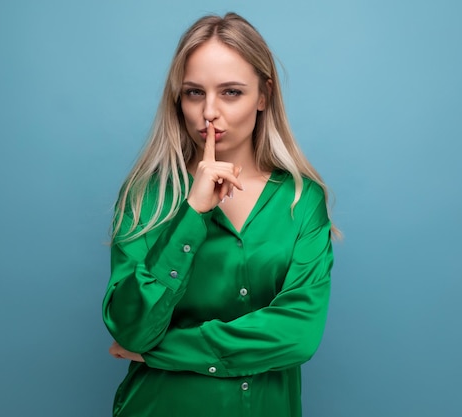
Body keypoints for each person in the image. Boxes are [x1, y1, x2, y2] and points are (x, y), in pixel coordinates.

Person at [102, 12, 337, 417]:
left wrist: (166, 351)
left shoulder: (302, 200)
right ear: (178, 99)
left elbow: (298, 334)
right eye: (194, 92)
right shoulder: (146, 196)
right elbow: (132, 329)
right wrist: (191, 213)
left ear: (263, 95)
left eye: (230, 92)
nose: (209, 111)